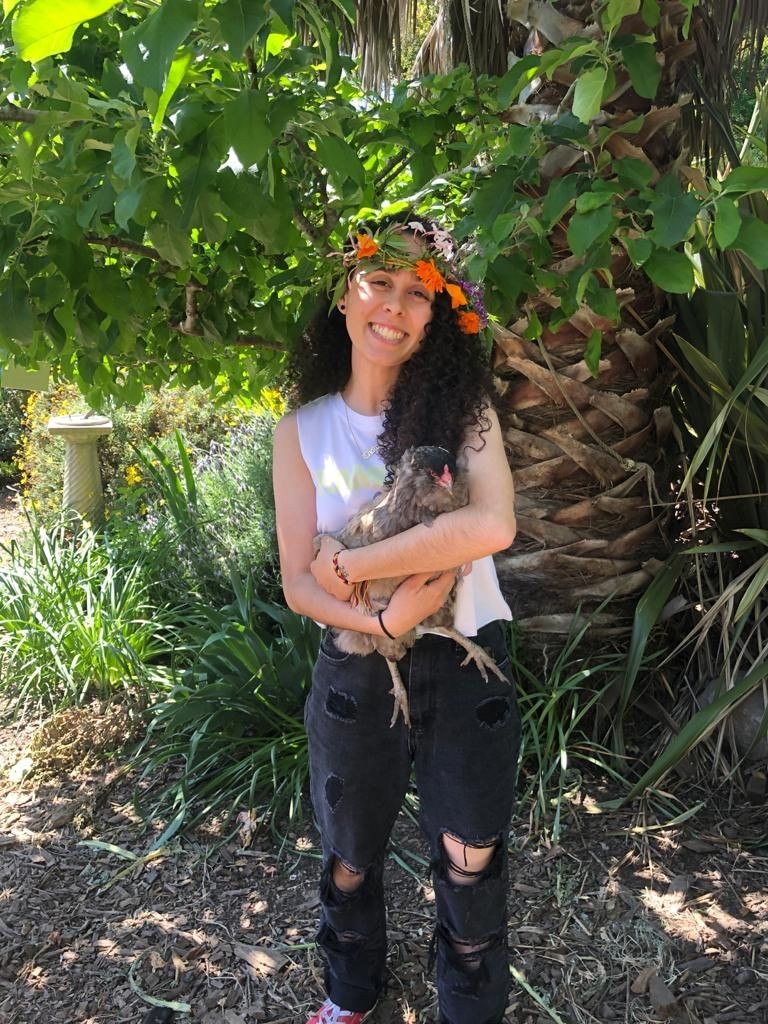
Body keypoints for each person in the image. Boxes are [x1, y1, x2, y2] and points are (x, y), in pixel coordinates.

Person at [272, 214, 521, 1024]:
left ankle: (469, 1011)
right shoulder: (301, 432)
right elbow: (293, 586)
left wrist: (349, 565)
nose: (396, 305)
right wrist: (382, 623)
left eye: (419, 292)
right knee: (350, 853)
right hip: (354, 662)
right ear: (345, 296)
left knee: (471, 857)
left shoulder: (463, 415)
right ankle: (351, 994)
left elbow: (492, 527)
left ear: (436, 314)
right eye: (380, 282)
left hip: (465, 655)